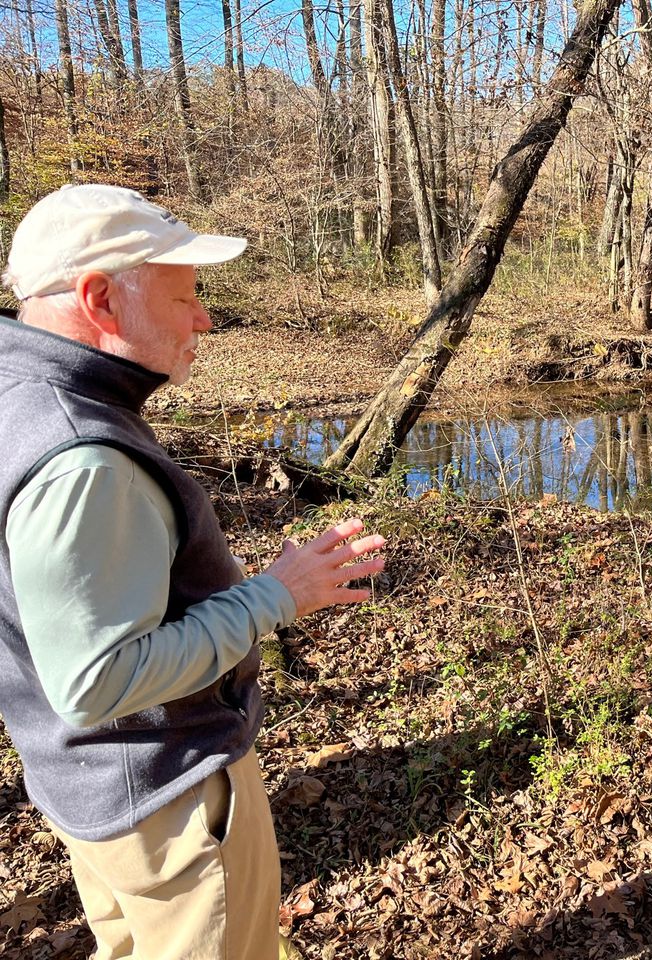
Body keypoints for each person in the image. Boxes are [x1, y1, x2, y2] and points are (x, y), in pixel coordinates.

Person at [0, 184, 385, 959]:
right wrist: (277, 595)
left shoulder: (21, 393)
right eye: (185, 296)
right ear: (100, 299)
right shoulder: (83, 457)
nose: (204, 317)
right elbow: (96, 683)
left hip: (92, 792)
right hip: (166, 800)